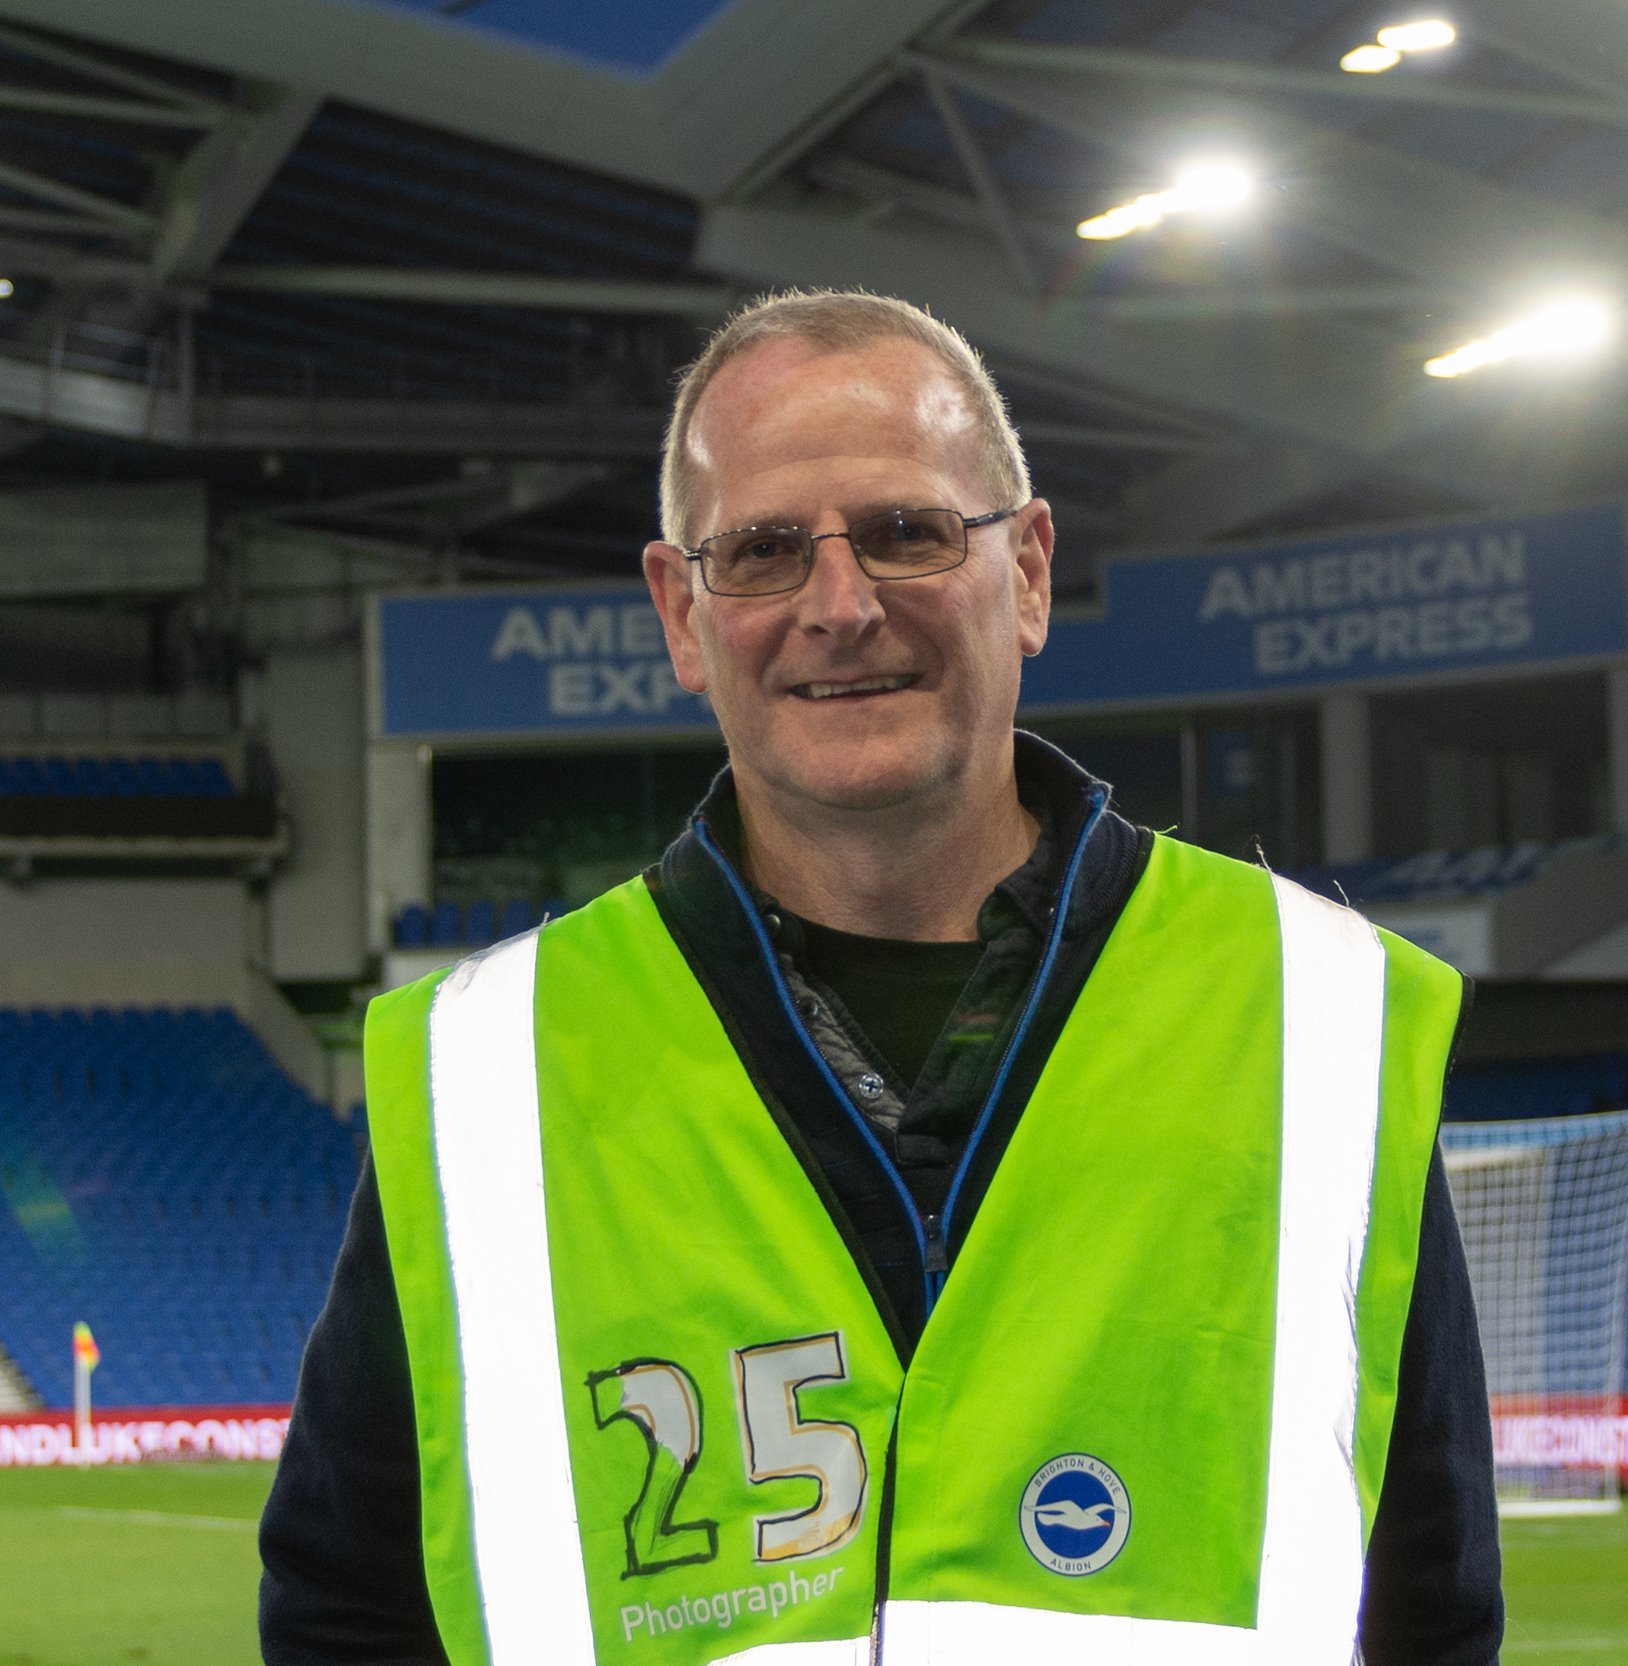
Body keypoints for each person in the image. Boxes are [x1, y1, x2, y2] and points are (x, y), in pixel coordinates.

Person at [259, 291, 1505, 1666]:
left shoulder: (1314, 1016)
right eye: (764, 551)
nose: (839, 605)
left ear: (1026, 571)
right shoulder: (485, 1068)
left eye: (907, 532)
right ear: (681, 611)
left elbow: (1426, 1611)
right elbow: (348, 1608)